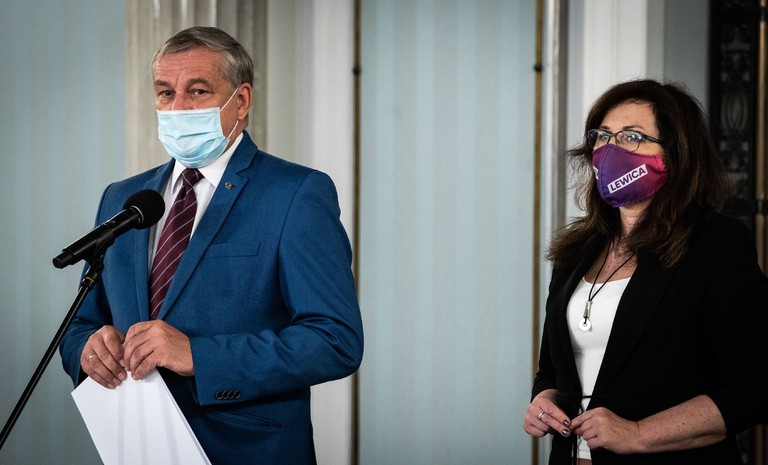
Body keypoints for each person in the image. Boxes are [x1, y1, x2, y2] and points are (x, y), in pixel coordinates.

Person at [59, 26, 363, 465]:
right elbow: (81, 323)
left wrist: (199, 356)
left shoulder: (296, 194)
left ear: (241, 101)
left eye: (198, 91)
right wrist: (88, 349)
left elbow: (335, 340)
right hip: (137, 446)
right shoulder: (124, 198)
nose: (177, 107)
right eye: (165, 93)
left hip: (247, 451)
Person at [522, 79, 768, 464]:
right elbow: (552, 370)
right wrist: (544, 399)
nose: (611, 149)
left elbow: (755, 388)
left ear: (675, 153)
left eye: (632, 136)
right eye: (602, 135)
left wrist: (638, 433)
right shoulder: (576, 250)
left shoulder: (715, 244)